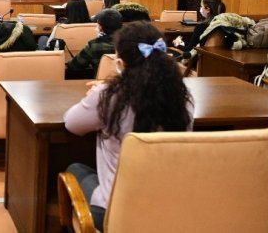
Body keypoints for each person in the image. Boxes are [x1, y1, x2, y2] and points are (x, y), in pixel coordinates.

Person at [64, 21, 194, 230]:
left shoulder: (110, 96)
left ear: (122, 64)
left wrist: (101, 92)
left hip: (116, 211)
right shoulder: (184, 97)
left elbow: (72, 123)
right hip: (169, 206)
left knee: (74, 169)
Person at [65, 9, 123, 79]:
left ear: (100, 27)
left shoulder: (93, 45)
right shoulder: (131, 43)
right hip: (129, 85)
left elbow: (74, 66)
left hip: (101, 85)